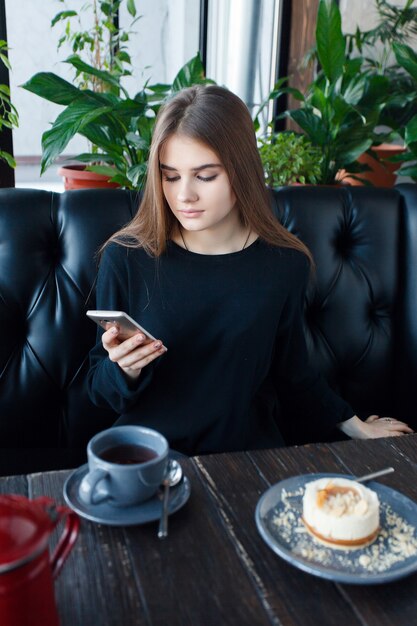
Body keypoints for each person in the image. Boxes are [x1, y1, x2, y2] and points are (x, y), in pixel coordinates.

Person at [87, 84, 412, 455]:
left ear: (241, 171)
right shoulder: (127, 257)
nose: (183, 196)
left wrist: (356, 426)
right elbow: (98, 388)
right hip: (149, 457)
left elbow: (294, 374)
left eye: (205, 176)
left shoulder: (283, 264)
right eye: (170, 175)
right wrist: (125, 369)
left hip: (245, 459)